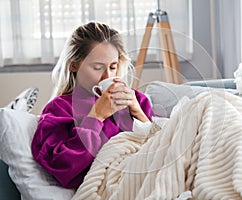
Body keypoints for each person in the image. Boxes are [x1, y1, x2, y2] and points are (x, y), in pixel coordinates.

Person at [31, 21, 155, 189]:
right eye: (97, 67)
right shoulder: (60, 109)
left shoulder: (136, 100)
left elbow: (165, 144)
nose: (107, 76)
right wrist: (96, 116)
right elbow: (62, 166)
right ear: (74, 64)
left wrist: (138, 113)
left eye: (113, 67)